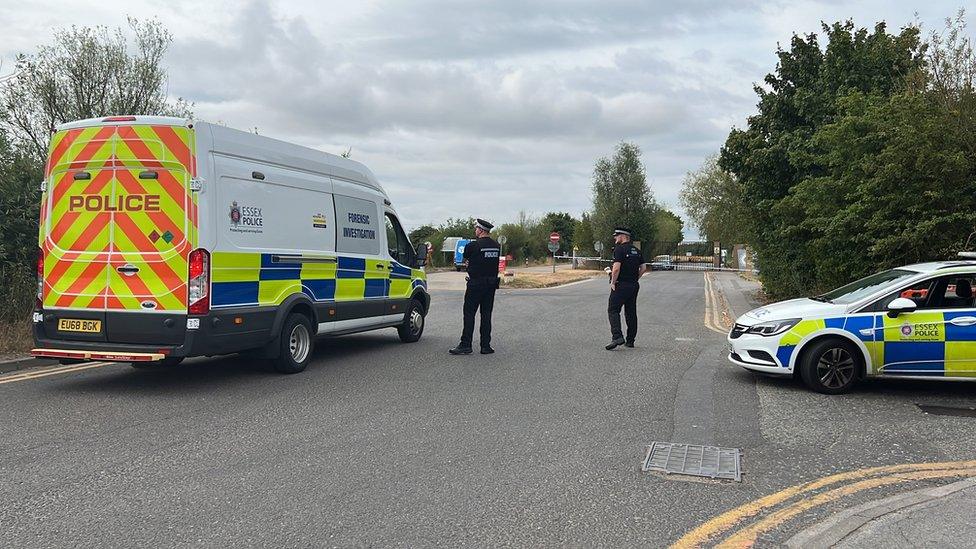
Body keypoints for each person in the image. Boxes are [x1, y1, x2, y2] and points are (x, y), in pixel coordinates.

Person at [450, 219, 501, 355]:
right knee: (486, 315)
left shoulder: (473, 245)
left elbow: (466, 259)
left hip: (475, 285)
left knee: (469, 314)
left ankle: (465, 344)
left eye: (476, 228)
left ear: (481, 230)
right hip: (490, 285)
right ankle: (486, 346)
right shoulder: (496, 246)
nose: (475, 230)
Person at [606, 227, 647, 350]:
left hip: (621, 285)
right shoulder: (636, 250)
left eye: (616, 236)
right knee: (631, 312)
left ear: (623, 236)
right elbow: (643, 267)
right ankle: (630, 341)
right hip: (633, 285)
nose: (615, 238)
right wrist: (635, 279)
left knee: (613, 310)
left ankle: (617, 337)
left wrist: (613, 282)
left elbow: (616, 268)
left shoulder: (619, 249)